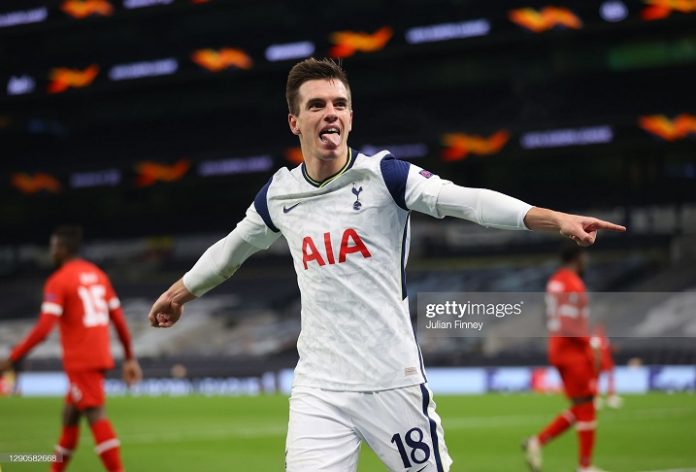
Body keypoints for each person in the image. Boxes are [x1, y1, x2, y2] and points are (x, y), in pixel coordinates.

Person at [147, 58, 625, 471]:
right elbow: (230, 252)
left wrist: (553, 218)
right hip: (320, 387)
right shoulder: (278, 195)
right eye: (316, 105)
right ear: (295, 122)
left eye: (338, 104)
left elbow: (468, 202)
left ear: (351, 117)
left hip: (391, 381)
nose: (329, 113)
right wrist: (177, 294)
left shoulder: (386, 177)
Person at [0, 226, 142, 472]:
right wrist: (129, 358)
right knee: (69, 418)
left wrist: (12, 358)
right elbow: (118, 320)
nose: (51, 251)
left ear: (63, 249)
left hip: (80, 360)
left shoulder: (59, 280)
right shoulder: (98, 275)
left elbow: (44, 330)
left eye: (53, 246)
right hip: (98, 355)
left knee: (96, 415)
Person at [523, 245, 604, 472]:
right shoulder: (572, 283)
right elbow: (570, 323)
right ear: (577, 257)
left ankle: (537, 442)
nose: (586, 260)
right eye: (584, 256)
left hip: (558, 348)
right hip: (573, 351)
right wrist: (590, 345)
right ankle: (585, 467)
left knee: (580, 405)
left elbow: (550, 318)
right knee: (587, 405)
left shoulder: (555, 281)